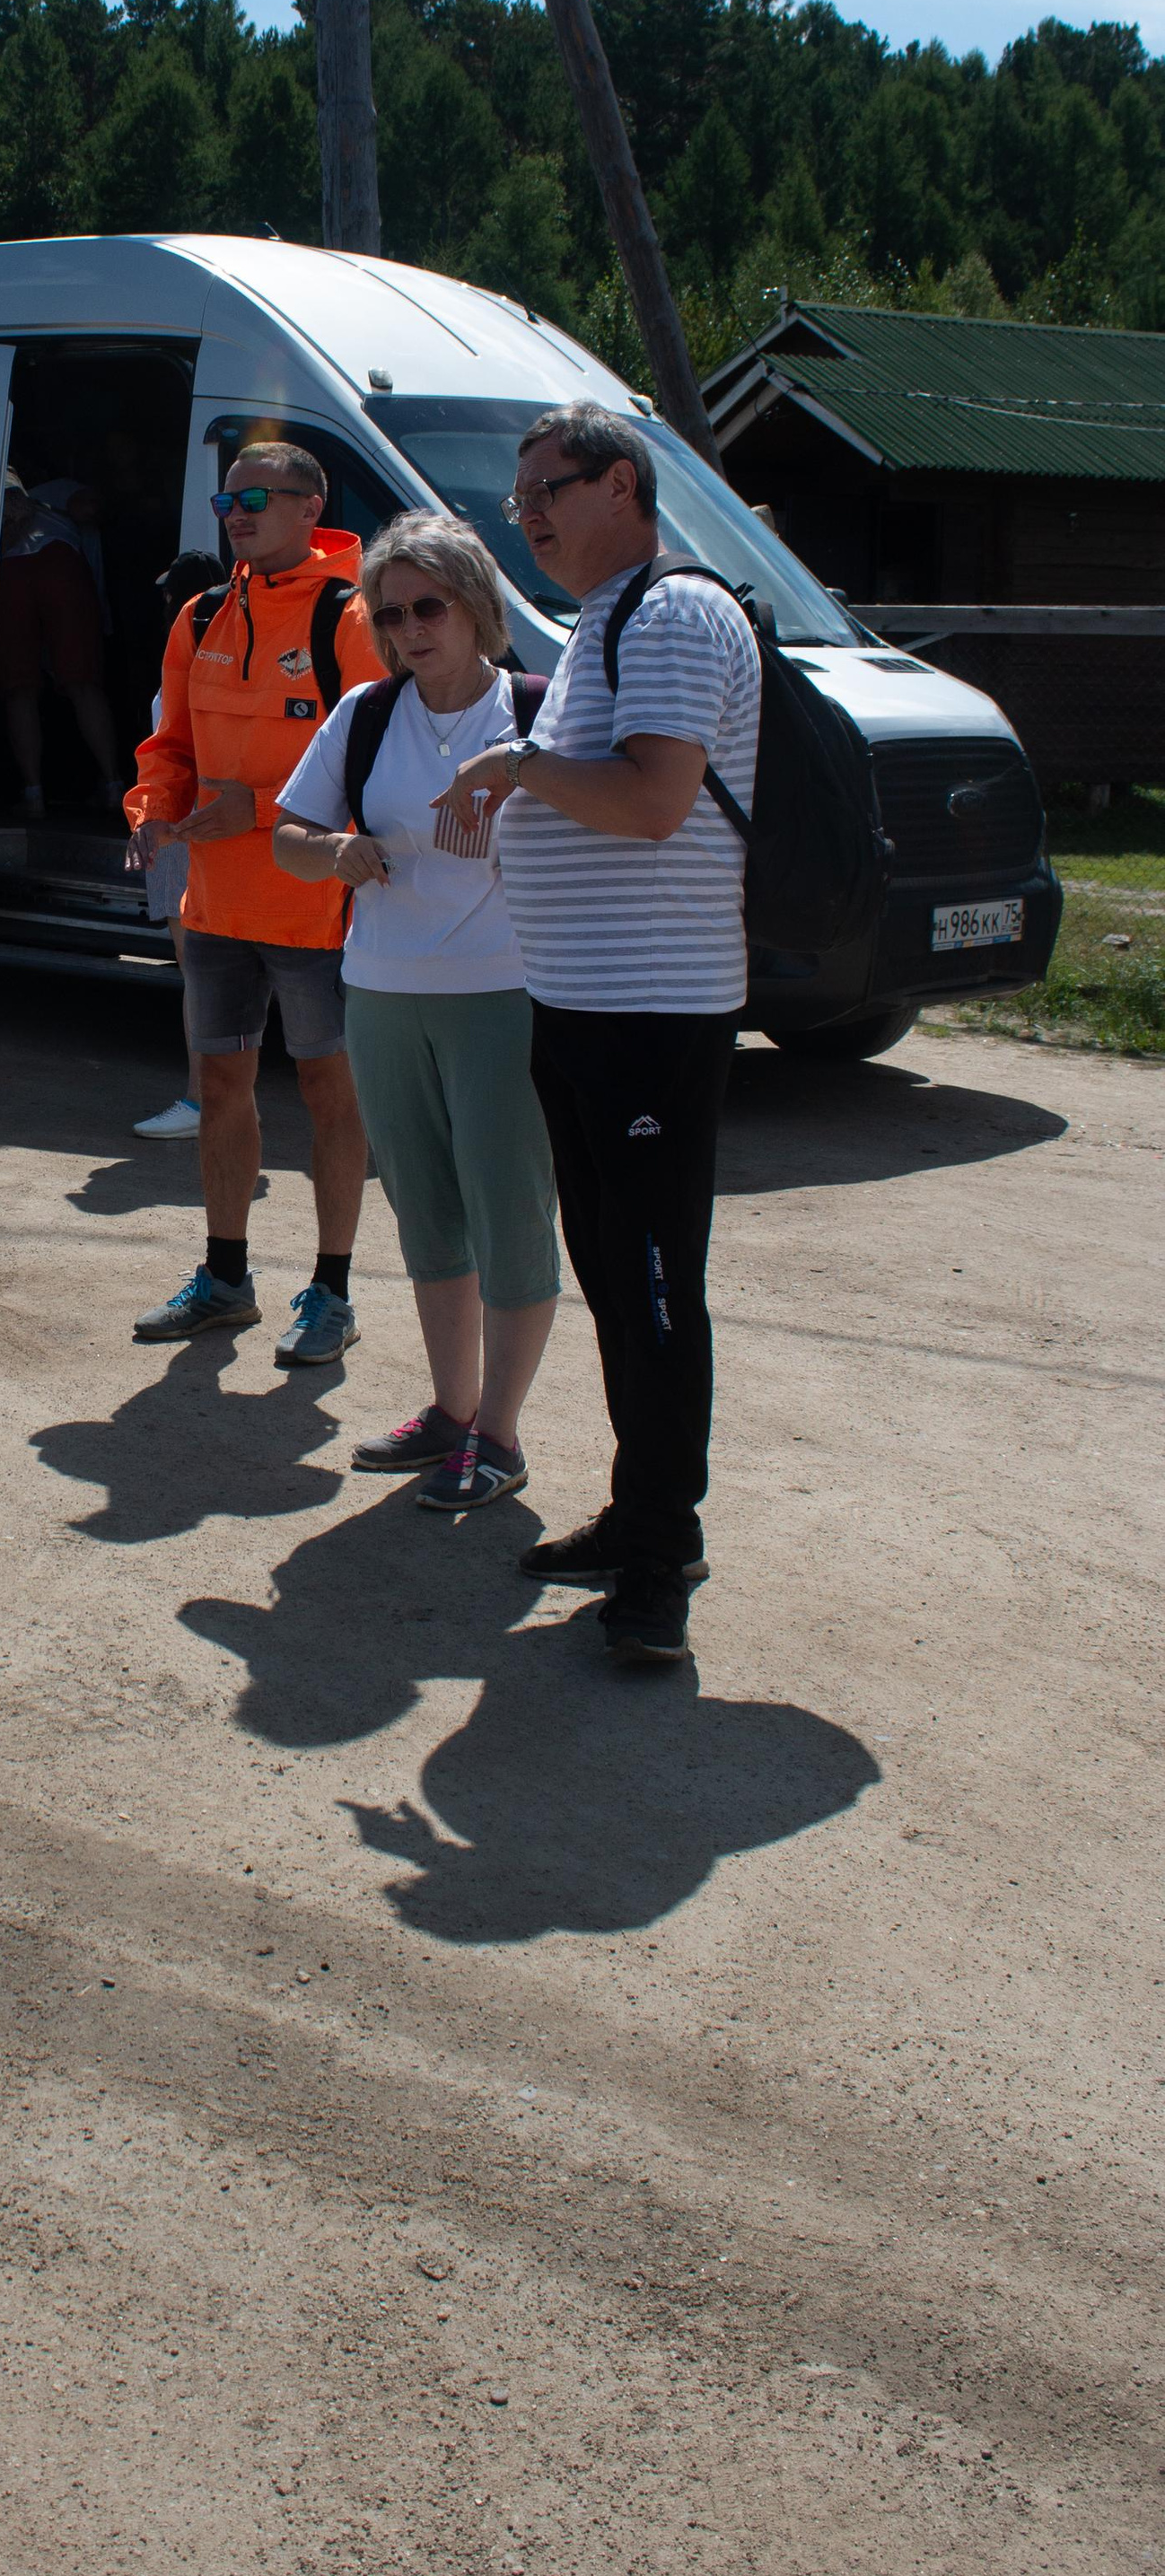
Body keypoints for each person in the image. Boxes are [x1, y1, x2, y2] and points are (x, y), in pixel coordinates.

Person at [433, 401, 760, 1668]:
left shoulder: (672, 613)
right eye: (516, 499)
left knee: (657, 1286)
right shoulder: (611, 626)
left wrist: (515, 769)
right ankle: (639, 1516)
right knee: (621, 1277)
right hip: (586, 1011)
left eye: (547, 490)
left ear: (622, 484)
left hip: (651, 1017)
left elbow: (653, 799)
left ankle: (663, 1559)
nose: (528, 517)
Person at [272, 517, 559, 1511]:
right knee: (427, 1211)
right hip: (383, 992)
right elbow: (290, 835)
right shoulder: (362, 713)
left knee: (509, 1211)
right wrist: (333, 851)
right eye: (388, 612)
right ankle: (451, 1412)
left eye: (427, 605)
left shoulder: (538, 714)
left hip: (503, 996)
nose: (407, 628)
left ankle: (500, 1435)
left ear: (478, 605)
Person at [124, 437, 382, 1363]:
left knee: (329, 1093)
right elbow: (169, 747)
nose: (236, 514)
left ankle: (333, 1291)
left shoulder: (350, 616)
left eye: (257, 498)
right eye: (227, 501)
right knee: (221, 1087)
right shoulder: (198, 616)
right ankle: (225, 1278)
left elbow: (376, 766)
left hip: (317, 909)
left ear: (311, 508)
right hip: (217, 907)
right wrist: (153, 807)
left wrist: (256, 808)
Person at [132, 548, 222, 1143]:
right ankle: (214, 1099)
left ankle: (201, 1102)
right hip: (206, 832)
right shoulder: (233, 663)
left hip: (188, 834)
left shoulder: (189, 670)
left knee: (203, 973)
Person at [0, 478, 122, 819]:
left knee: (19, 690)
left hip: (8, 570)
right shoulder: (59, 487)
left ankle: (33, 795)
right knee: (83, 685)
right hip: (60, 563)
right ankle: (112, 786)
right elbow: (89, 508)